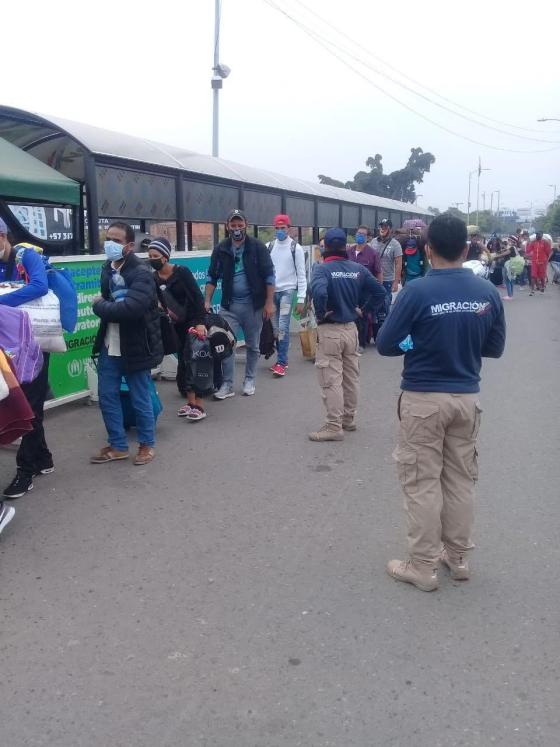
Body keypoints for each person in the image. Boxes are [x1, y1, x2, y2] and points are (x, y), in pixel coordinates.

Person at [377, 214, 505, 592]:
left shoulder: (416, 292)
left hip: (423, 400)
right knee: (460, 479)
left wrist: (418, 342)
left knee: (421, 481)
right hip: (466, 398)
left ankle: (422, 565)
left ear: (428, 249)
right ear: (466, 249)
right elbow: (494, 348)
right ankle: (459, 557)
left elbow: (386, 344)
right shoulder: (487, 293)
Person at [91, 221, 163, 466]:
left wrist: (99, 305)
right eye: (108, 238)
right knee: (107, 395)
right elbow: (116, 306)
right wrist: (109, 307)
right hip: (110, 343)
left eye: (117, 240)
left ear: (129, 246)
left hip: (136, 344)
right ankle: (118, 445)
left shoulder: (141, 272)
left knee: (140, 396)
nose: (110, 243)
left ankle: (146, 445)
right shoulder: (107, 268)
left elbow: (131, 309)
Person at [308, 227, 386, 441]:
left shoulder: (322, 269)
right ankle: (348, 419)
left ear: (325, 247)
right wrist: (364, 309)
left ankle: (334, 426)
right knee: (351, 377)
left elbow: (319, 291)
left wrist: (322, 312)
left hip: (330, 330)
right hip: (351, 329)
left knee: (331, 379)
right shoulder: (357, 269)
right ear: (345, 246)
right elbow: (380, 292)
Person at [0, 241, 53, 499]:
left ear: (2, 236)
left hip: (33, 343)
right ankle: (43, 458)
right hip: (8, 344)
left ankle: (26, 470)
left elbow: (40, 286)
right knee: (28, 402)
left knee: (29, 404)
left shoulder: (26, 256)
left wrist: (2, 299)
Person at [205, 209, 275, 398]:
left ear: (246, 225)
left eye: (240, 225)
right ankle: (227, 385)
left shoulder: (257, 247)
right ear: (227, 227)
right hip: (229, 307)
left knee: (253, 345)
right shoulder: (221, 249)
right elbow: (212, 277)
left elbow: (269, 276)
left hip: (254, 306)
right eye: (233, 225)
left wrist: (269, 303)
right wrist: (207, 301)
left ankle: (249, 379)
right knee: (226, 344)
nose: (237, 229)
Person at [148, 237, 208, 421]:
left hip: (192, 322)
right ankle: (190, 402)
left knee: (194, 361)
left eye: (155, 255)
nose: (152, 259)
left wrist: (200, 322)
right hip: (174, 326)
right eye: (149, 256)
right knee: (183, 360)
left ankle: (199, 405)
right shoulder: (154, 278)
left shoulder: (182, 272)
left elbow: (197, 298)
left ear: (165, 257)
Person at [267, 214, 307, 377]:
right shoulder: (268, 246)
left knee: (283, 327)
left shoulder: (295, 248)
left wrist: (301, 298)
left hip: (287, 292)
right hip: (272, 293)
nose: (280, 231)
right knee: (276, 328)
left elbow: (302, 275)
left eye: (283, 228)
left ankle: (282, 362)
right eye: (277, 228)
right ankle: (281, 359)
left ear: (289, 228)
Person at [347, 225, 383, 352]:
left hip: (365, 291)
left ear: (368, 238)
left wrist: (379, 288)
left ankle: (361, 344)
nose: (359, 236)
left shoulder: (373, 253)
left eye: (362, 234)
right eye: (358, 233)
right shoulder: (349, 252)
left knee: (362, 315)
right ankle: (350, 341)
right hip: (350, 289)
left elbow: (378, 272)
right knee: (350, 315)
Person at [371, 218, 403, 317]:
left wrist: (396, 282)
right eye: (381, 226)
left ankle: (384, 324)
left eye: (385, 226)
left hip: (387, 280)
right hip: (374, 278)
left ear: (390, 229)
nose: (382, 228)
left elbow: (398, 263)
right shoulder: (373, 241)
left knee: (385, 304)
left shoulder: (395, 244)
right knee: (373, 303)